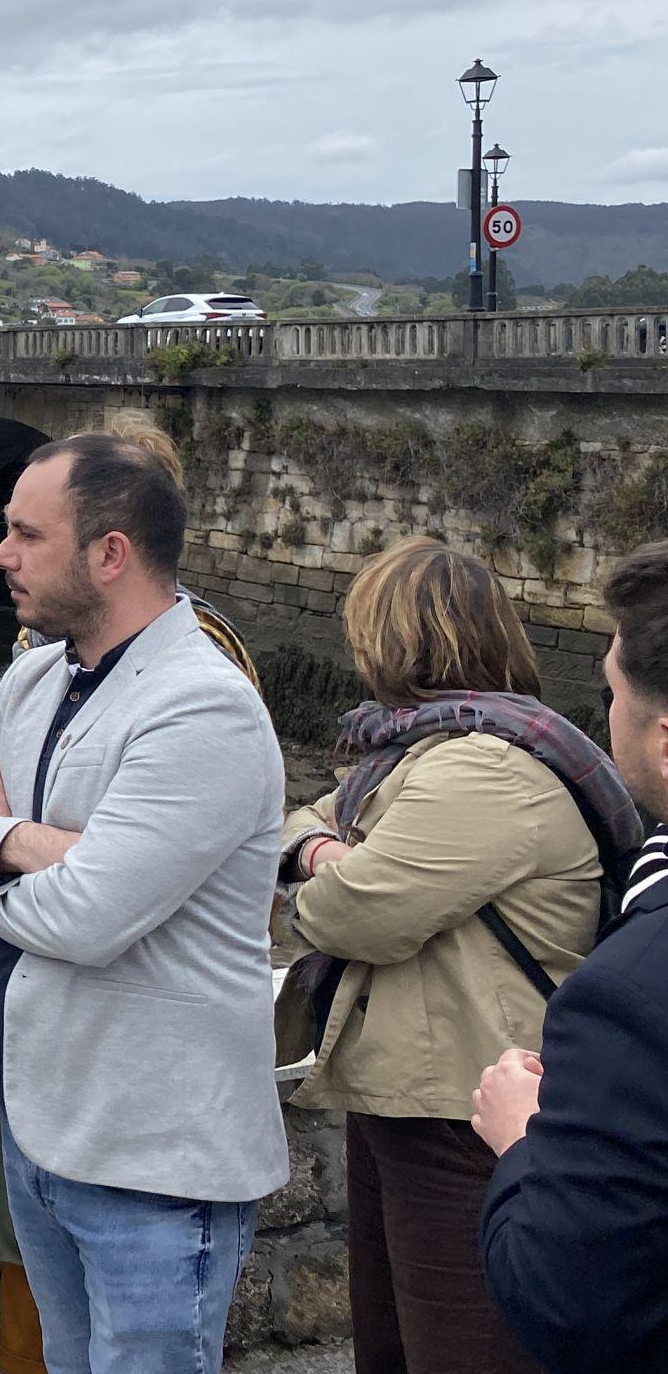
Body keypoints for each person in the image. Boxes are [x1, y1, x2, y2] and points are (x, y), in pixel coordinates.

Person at [0, 431, 288, 1374]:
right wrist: (33, 847)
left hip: (152, 1157)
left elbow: (87, 919)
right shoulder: (37, 674)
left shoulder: (203, 707)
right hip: (41, 1122)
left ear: (111, 554)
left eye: (26, 534)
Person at [278, 537, 642, 1374]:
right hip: (414, 1098)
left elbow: (351, 912)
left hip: (462, 1112)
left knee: (457, 1347)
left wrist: (321, 860)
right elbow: (306, 818)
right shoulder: (418, 752)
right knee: (396, 1344)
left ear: (397, 640)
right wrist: (321, 847)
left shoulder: (483, 767)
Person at [473, 541, 668, 1372]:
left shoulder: (626, 997)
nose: (604, 715)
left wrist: (523, 1143)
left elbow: (572, 1304)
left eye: (610, 693)